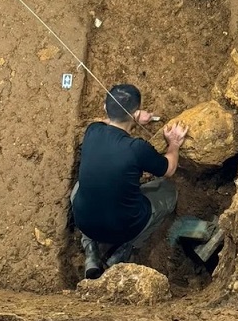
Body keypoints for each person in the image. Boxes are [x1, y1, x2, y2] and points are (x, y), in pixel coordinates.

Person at [71, 84, 189, 279]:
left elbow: (103, 122)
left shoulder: (92, 131)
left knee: (79, 188)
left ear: (104, 108)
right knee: (169, 192)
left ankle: (90, 250)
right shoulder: (137, 148)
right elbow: (169, 169)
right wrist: (174, 143)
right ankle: (123, 250)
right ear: (134, 113)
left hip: (85, 221)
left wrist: (132, 116)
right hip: (124, 227)